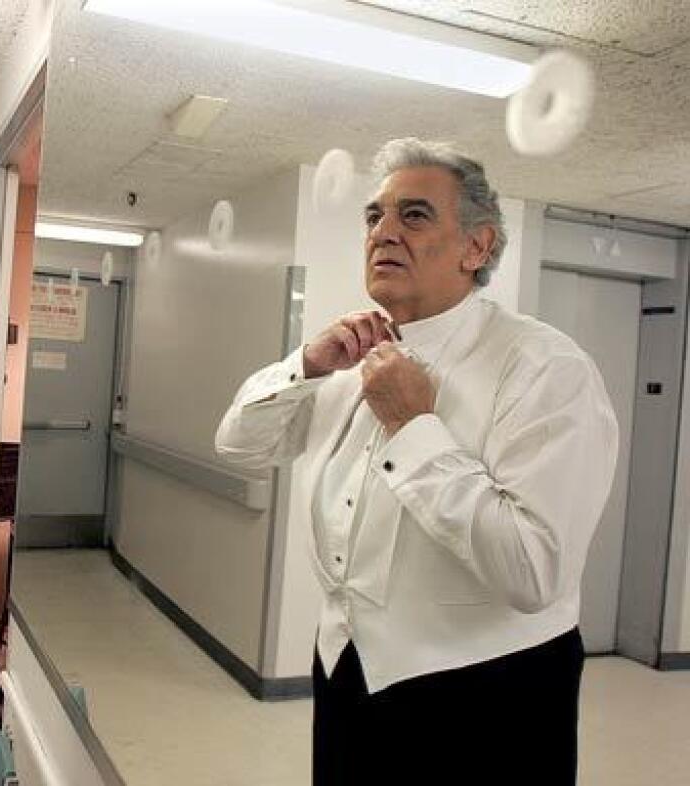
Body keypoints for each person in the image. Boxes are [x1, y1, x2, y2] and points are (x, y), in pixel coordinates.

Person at [216, 138, 618, 786]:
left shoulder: (545, 368)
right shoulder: (351, 358)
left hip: (493, 698)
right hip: (348, 670)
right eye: (374, 216)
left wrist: (414, 427)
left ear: (478, 247)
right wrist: (306, 367)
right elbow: (240, 443)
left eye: (415, 215)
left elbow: (533, 571)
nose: (383, 233)